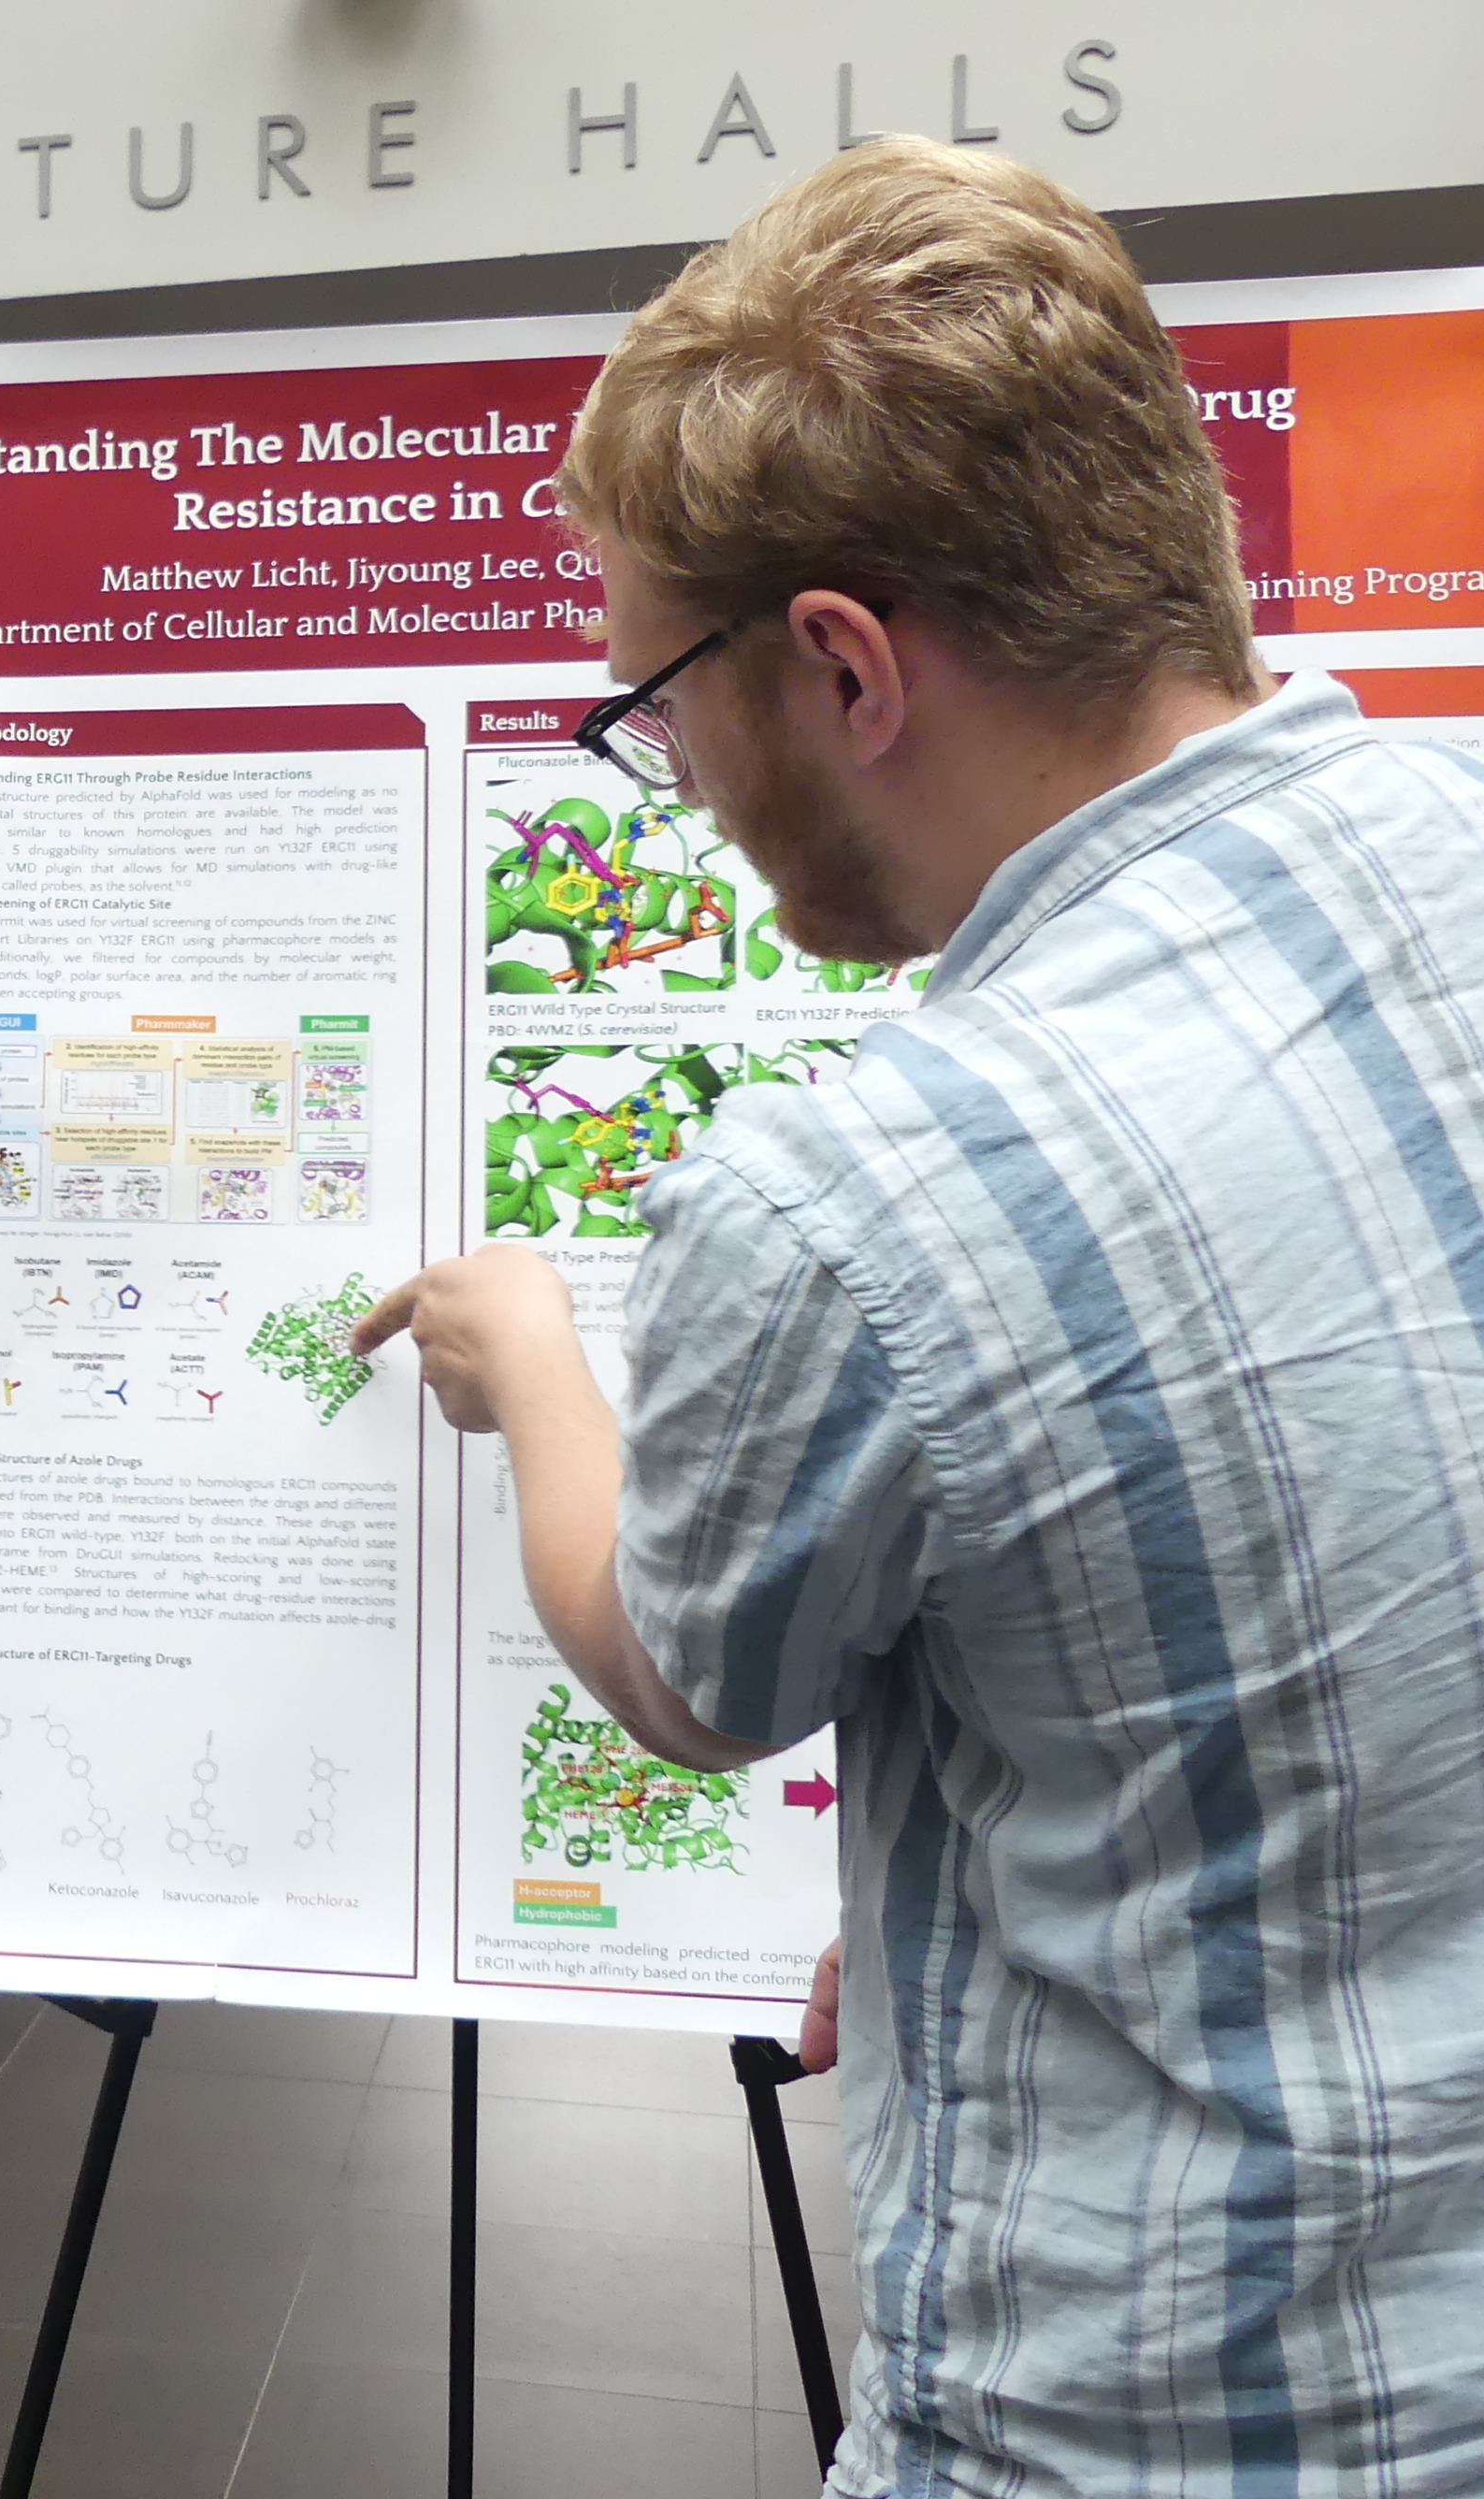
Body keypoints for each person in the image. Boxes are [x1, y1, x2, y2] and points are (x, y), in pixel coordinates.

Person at [359, 142, 1484, 2492]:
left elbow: (688, 1673)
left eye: (653, 698)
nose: (668, 770)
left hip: (1161, 2422)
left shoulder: (870, 1190)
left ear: (844, 666)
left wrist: (532, 1356)